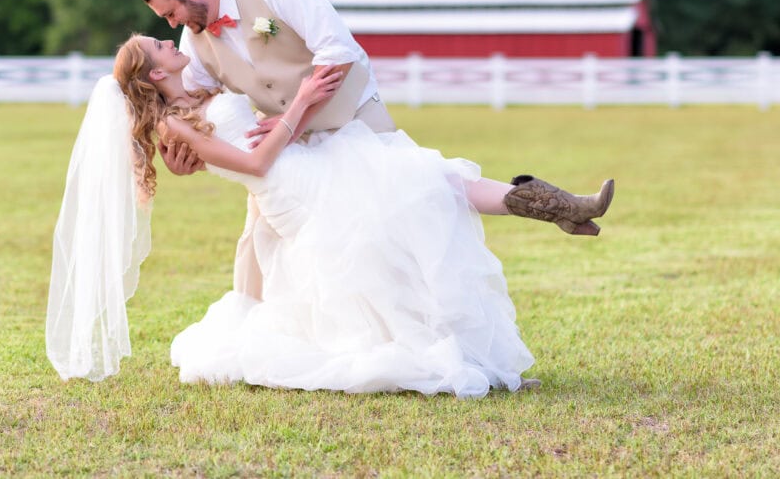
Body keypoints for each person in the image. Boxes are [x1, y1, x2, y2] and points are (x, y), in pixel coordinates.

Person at [45, 34, 614, 396]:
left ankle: (561, 206)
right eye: (162, 47)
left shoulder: (195, 91)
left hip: (315, 162)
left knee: (433, 180)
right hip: (298, 189)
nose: (174, 44)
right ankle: (465, 342)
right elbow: (257, 162)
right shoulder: (172, 124)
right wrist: (302, 101)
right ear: (152, 75)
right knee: (415, 214)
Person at [137, 0, 610, 305]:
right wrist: (188, 162)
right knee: (265, 238)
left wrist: (292, 115)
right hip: (288, 151)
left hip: (349, 113)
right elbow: (200, 112)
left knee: (416, 190)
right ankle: (258, 333)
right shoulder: (194, 42)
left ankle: (549, 204)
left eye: (170, 13)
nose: (172, 23)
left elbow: (337, 52)